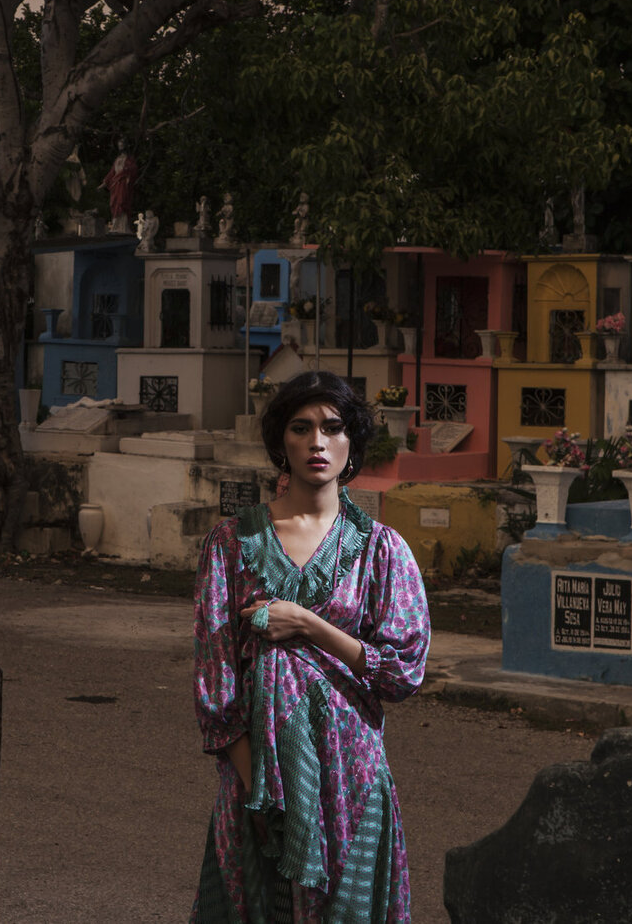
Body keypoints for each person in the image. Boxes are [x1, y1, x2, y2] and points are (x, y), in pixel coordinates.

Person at [191, 370, 430, 922]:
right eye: (301, 428)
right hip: (258, 777)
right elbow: (215, 685)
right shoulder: (233, 542)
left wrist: (308, 624)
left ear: (352, 444)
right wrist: (262, 792)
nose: (317, 442)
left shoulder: (382, 551)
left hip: (352, 774)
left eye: (332, 427)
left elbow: (402, 673)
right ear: (281, 443)